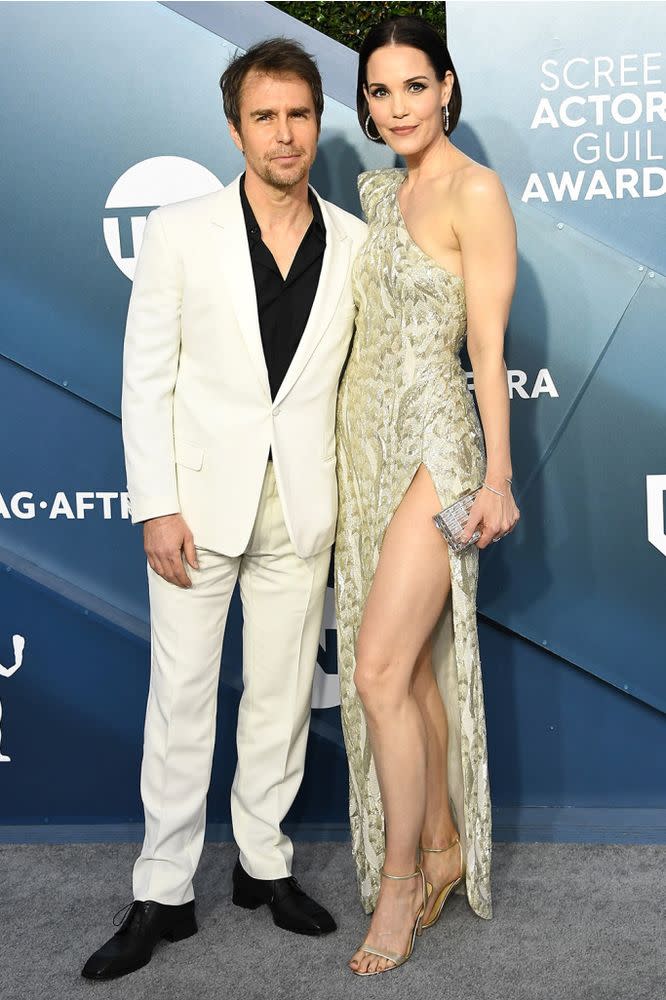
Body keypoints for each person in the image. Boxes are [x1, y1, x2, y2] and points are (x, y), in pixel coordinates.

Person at [82, 38, 366, 981]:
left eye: (298, 115)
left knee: (282, 701)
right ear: (235, 126)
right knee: (182, 705)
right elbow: (144, 380)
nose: (284, 135)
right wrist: (156, 504)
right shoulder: (180, 230)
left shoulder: (356, 241)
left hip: (303, 506)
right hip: (195, 512)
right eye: (264, 117)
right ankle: (163, 892)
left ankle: (263, 865)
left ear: (317, 122)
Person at [335, 16, 520, 976]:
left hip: (435, 450)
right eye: (378, 91)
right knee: (405, 671)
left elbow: (486, 349)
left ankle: (404, 881)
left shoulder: (473, 192)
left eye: (414, 85)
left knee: (373, 671)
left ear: (447, 87)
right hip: (363, 443)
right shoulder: (377, 190)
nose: (396, 106)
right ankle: (442, 841)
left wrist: (496, 475)